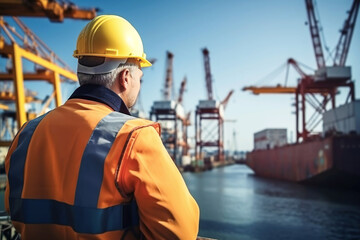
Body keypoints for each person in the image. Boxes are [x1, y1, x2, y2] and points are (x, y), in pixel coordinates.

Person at [4, 15, 199, 240]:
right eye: (140, 78)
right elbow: (179, 232)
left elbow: (14, 209)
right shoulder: (134, 137)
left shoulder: (26, 133)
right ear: (125, 78)